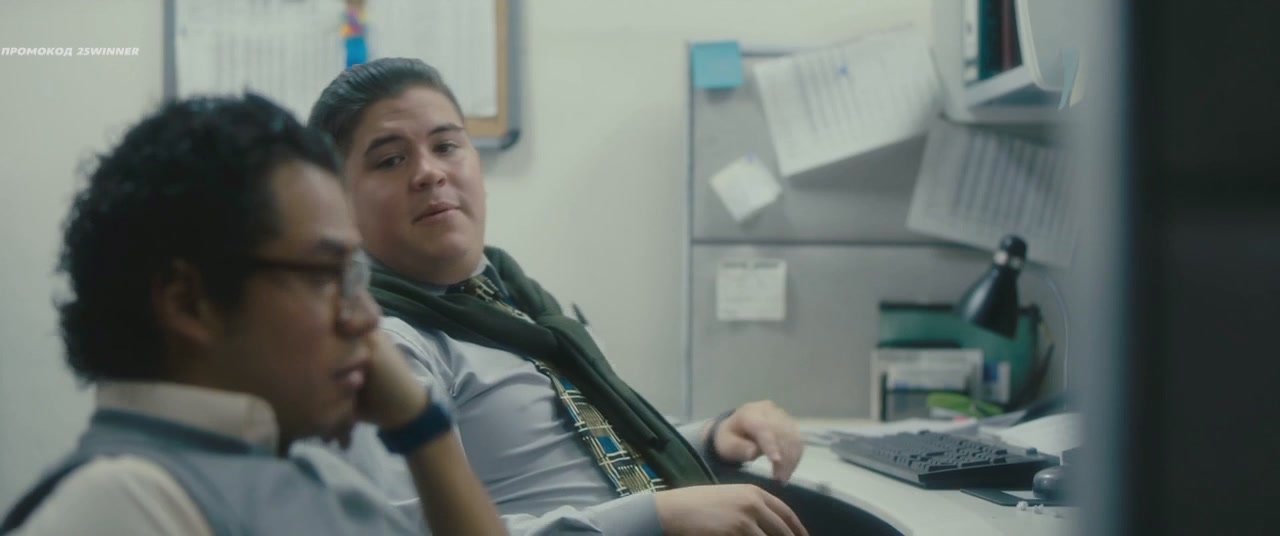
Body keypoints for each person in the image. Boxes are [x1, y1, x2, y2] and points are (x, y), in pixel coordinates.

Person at [309, 57, 809, 535]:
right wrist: (656, 516)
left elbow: (595, 452)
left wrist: (713, 437)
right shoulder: (384, 345)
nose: (429, 172)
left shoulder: (520, 301)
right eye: (391, 160)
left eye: (446, 146)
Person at [1, 94, 505, 535]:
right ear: (188, 303)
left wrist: (420, 427)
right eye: (324, 276)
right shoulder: (124, 502)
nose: (365, 318)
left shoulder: (310, 471)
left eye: (354, 276)